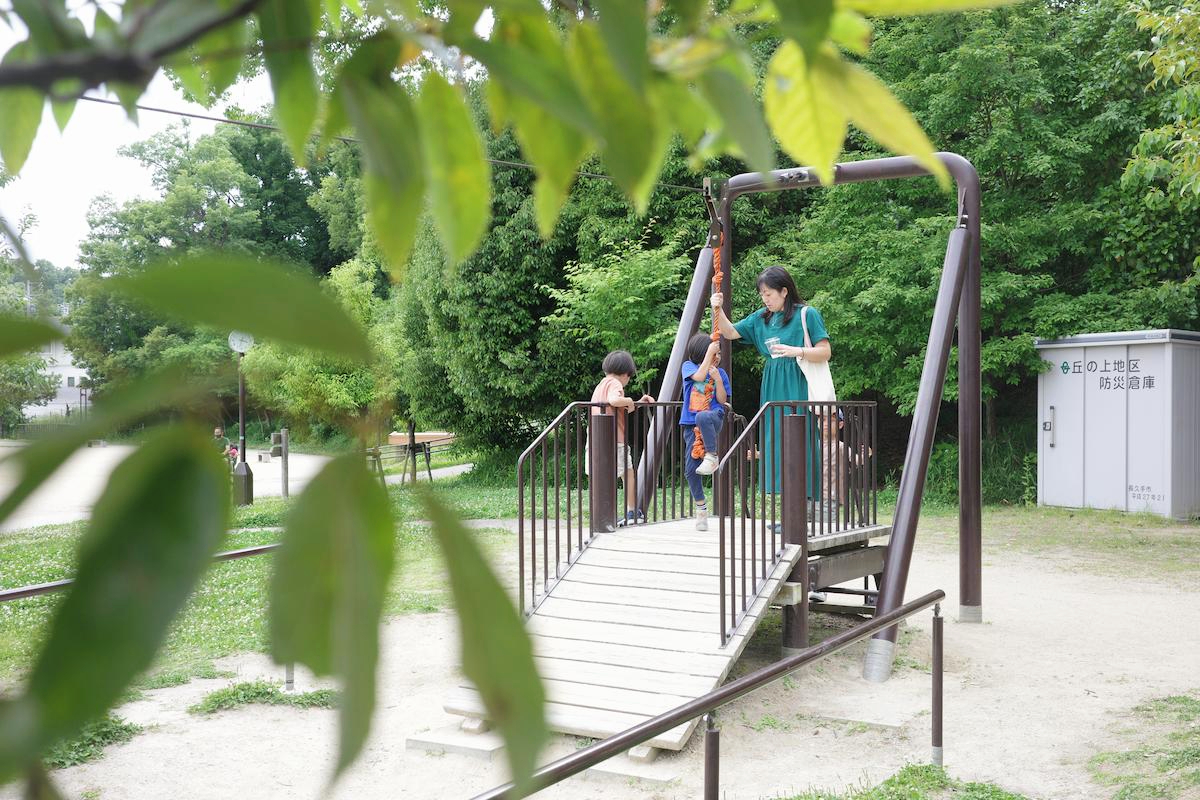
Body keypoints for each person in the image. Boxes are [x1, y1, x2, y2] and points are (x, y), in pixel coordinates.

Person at [710, 265, 832, 511]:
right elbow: (730, 332)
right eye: (762, 294)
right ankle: (790, 509)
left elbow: (825, 352)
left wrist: (797, 351)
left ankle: (810, 505)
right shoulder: (760, 319)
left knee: (803, 436)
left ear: (784, 291)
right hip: (773, 380)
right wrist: (717, 308)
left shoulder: (807, 314)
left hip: (799, 378)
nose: (765, 299)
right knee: (775, 439)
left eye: (769, 293)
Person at [587, 350, 655, 526]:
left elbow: (619, 408)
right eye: (629, 378)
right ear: (626, 374)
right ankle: (631, 511)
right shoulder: (616, 383)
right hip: (614, 439)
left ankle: (603, 514)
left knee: (601, 475)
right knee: (628, 473)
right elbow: (615, 401)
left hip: (596, 438)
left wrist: (637, 403)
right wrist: (630, 399)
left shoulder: (601, 384)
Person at [679, 334, 731, 531]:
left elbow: (722, 398)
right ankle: (701, 509)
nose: (717, 357)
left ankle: (712, 455)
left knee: (703, 417)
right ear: (702, 353)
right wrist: (709, 357)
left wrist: (717, 379)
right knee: (690, 470)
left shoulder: (721, 373)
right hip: (690, 425)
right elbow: (699, 378)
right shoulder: (689, 367)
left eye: (718, 354)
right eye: (713, 353)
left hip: (712, 418)